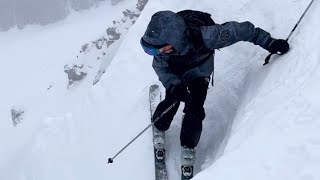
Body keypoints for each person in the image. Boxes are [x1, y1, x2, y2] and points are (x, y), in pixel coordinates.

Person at [140, 10, 289, 178]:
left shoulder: (208, 36)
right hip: (177, 73)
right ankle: (160, 125)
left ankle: (188, 146)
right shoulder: (162, 51)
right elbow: (161, 68)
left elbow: (242, 30)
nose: (155, 54)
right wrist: (174, 85)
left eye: (157, 50)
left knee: (195, 107)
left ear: (174, 40)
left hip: (199, 71)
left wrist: (269, 42)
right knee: (172, 100)